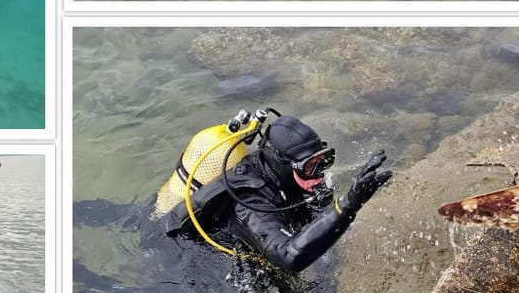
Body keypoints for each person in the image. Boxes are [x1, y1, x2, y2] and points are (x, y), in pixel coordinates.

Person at [163, 111, 392, 273]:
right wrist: (347, 206)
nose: (319, 175)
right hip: (183, 257)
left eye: (323, 161)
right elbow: (289, 257)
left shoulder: (288, 178)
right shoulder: (249, 203)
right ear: (283, 166)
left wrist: (328, 205)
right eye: (310, 167)